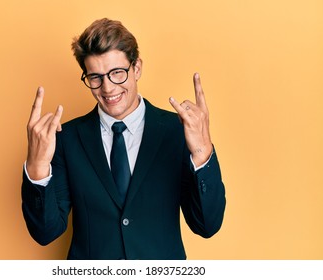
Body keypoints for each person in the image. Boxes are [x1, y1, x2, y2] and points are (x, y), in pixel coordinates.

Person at [22, 18, 226, 260]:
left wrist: (203, 153)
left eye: (117, 73)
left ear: (136, 68)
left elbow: (207, 225)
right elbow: (45, 232)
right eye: (95, 77)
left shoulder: (178, 131)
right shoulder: (66, 139)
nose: (107, 88)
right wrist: (37, 168)